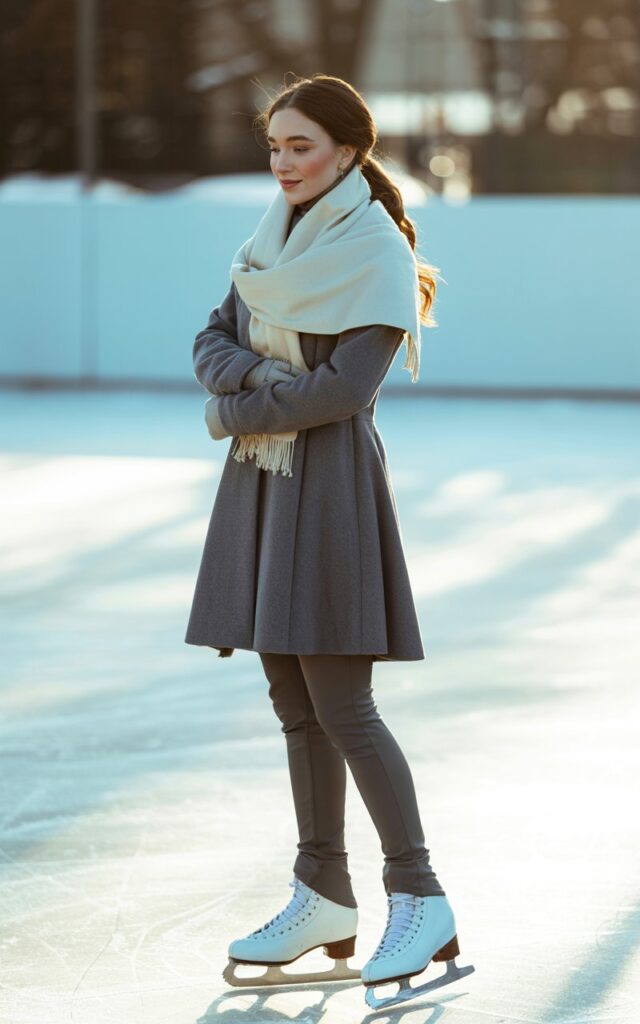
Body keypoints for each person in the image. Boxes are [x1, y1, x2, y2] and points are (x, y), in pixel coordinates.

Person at [184, 74, 472, 1010]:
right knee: (293, 701)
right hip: (265, 487)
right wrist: (251, 383)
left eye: (300, 145)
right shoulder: (269, 242)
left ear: (348, 150)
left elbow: (346, 390)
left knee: (343, 704)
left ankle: (419, 893)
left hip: (328, 491)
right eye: (274, 146)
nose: (283, 162)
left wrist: (239, 402)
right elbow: (210, 337)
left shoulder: (375, 253)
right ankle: (322, 893)